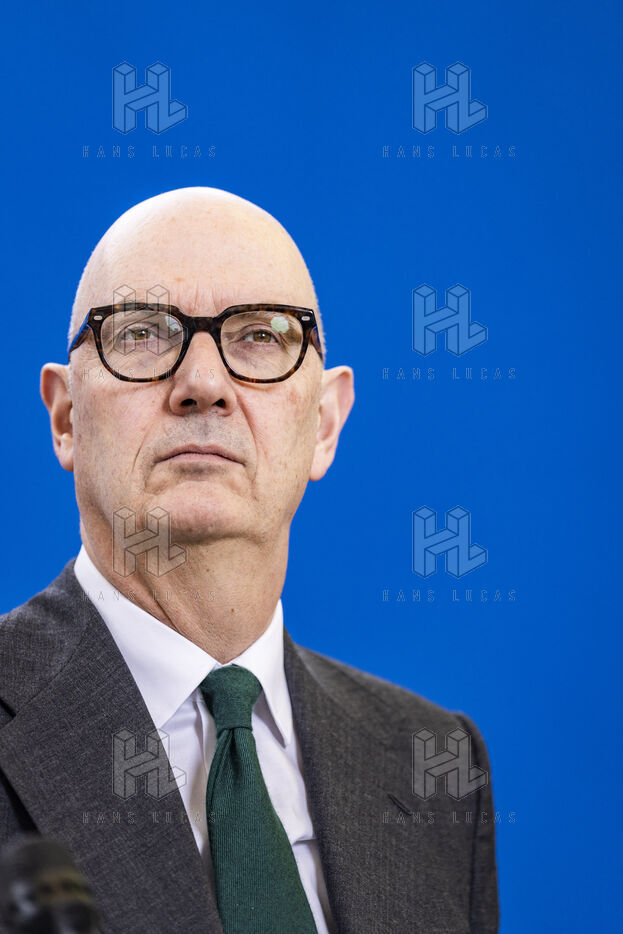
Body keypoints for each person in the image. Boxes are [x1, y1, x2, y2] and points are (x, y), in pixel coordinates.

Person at [0, 187, 499, 933]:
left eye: (261, 335)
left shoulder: (432, 761)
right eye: (142, 333)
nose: (203, 386)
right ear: (66, 416)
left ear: (324, 424)